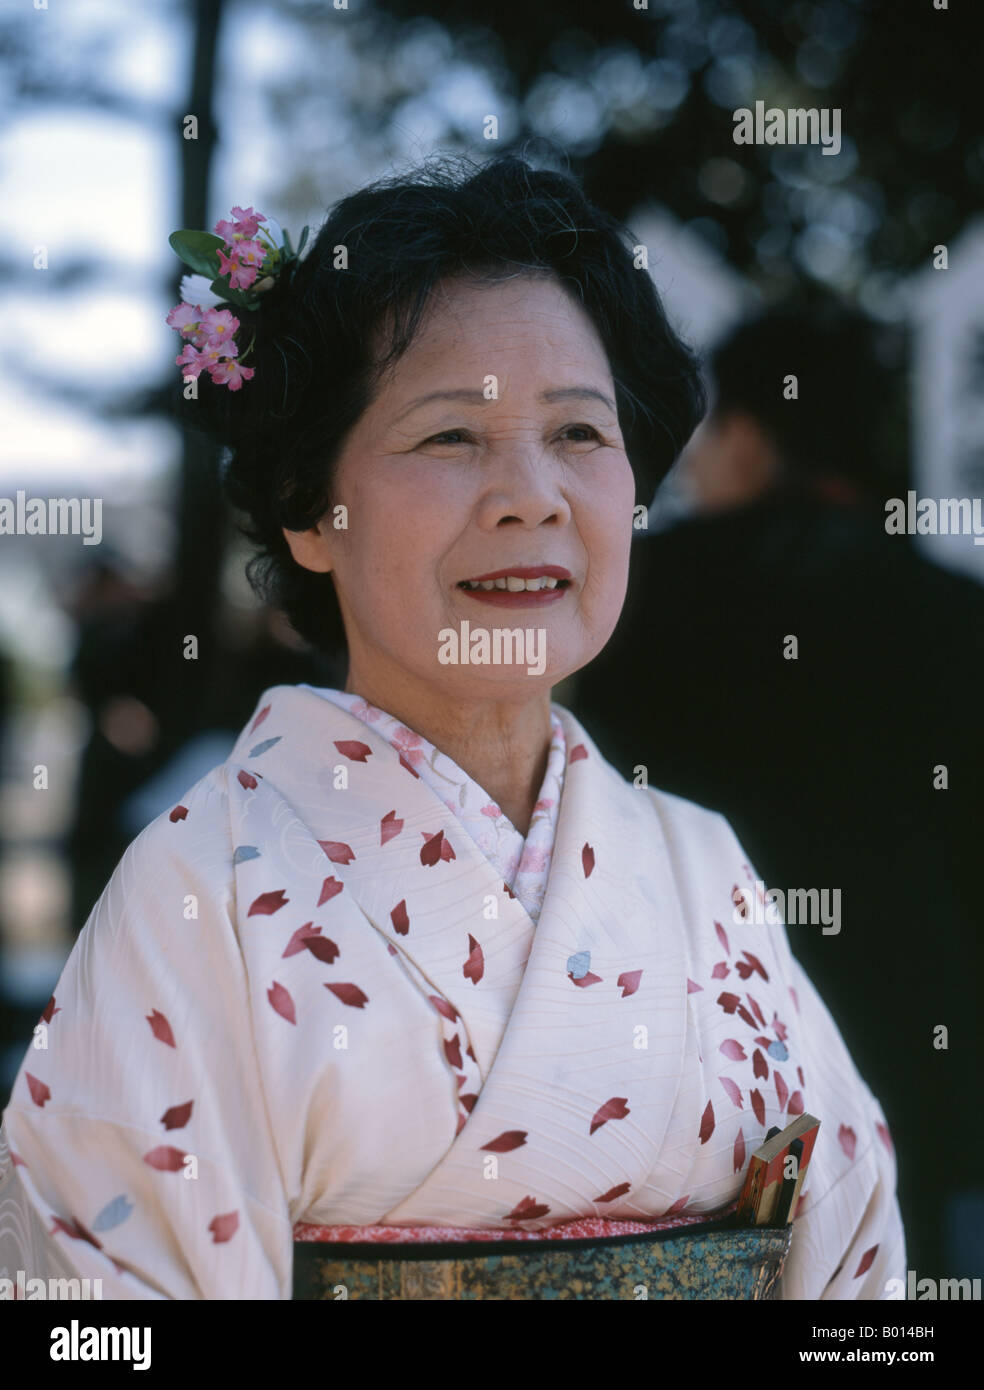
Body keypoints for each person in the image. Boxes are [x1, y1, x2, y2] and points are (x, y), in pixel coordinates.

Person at [0, 158, 904, 1300]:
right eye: (450, 438)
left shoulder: (701, 864)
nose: (531, 494)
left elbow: (853, 1257)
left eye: (579, 432)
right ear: (309, 510)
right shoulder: (195, 892)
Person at [574, 299, 984, 1278]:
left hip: (694, 1083)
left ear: (752, 435)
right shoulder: (952, 611)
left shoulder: (635, 602)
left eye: (713, 428)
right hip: (925, 1067)